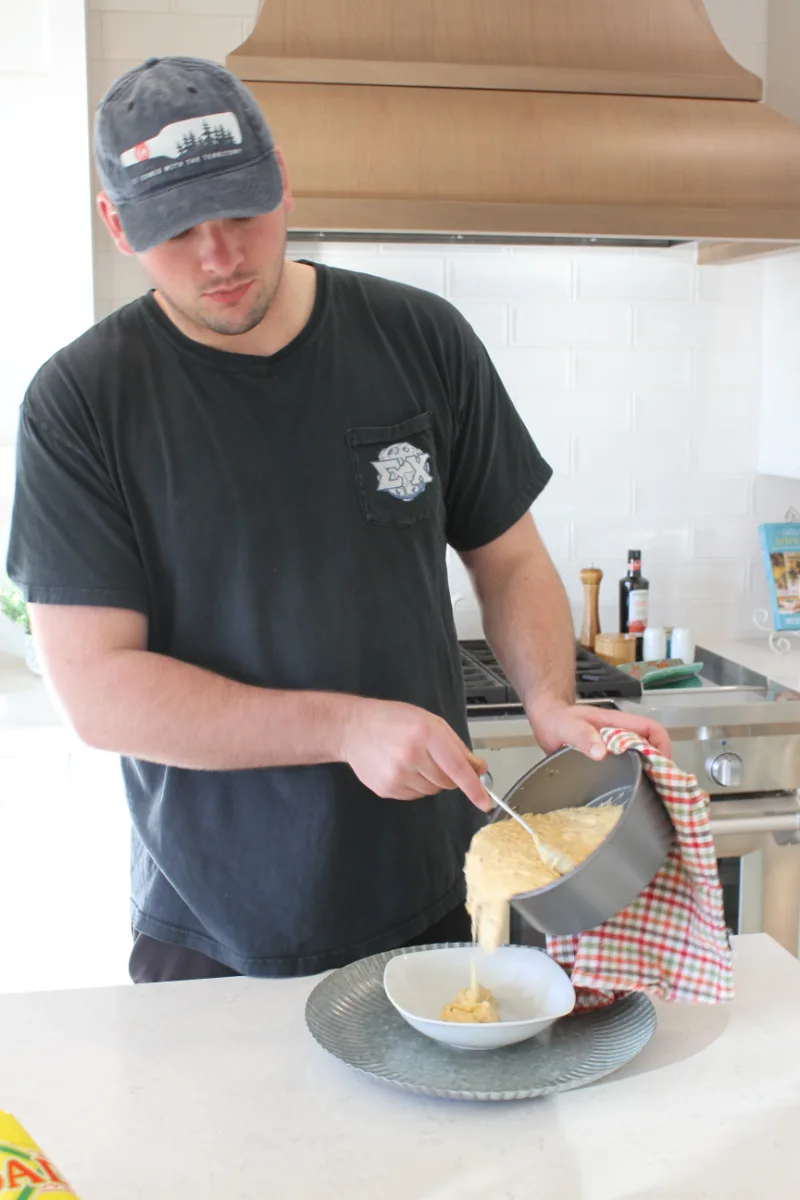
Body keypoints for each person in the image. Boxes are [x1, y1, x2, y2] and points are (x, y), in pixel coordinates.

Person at [7, 56, 669, 984]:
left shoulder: (420, 339)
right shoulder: (82, 402)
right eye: (176, 231)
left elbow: (511, 561)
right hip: (213, 927)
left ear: (281, 178)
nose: (220, 256)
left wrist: (549, 701)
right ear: (118, 227)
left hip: (442, 888)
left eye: (241, 211)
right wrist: (344, 727)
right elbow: (96, 691)